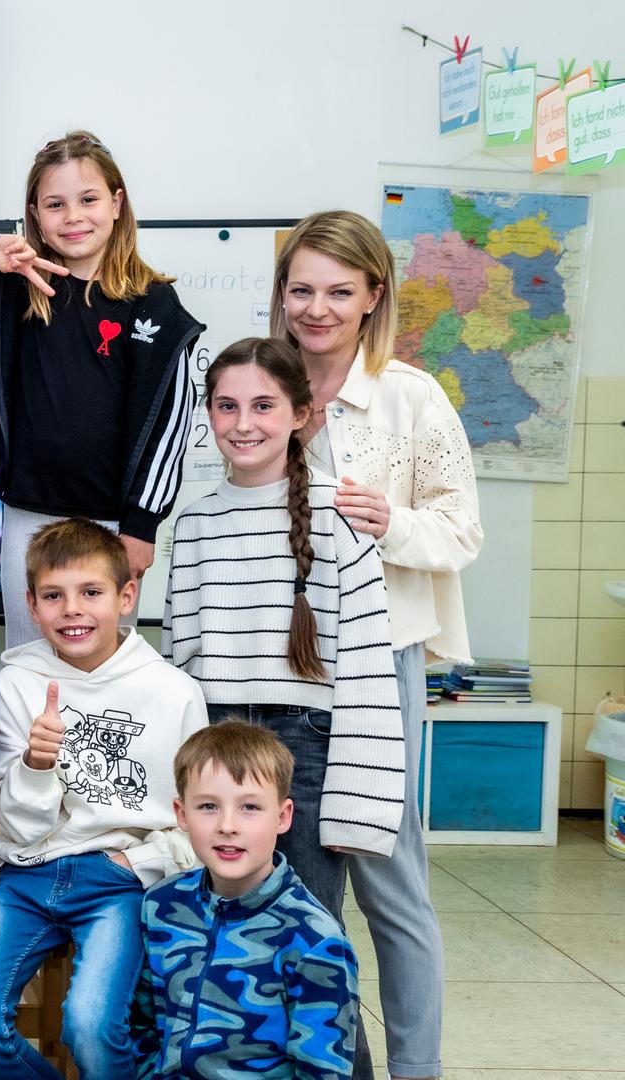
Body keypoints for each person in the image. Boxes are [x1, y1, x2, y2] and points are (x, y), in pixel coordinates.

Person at [274, 209, 480, 1080]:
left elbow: (461, 530)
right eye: (301, 290)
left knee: (392, 885)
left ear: (372, 298)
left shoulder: (409, 396)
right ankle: (328, 1063)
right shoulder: (258, 384)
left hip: (377, 659)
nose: (317, 309)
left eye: (338, 292)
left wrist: (389, 520)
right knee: (297, 881)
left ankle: (417, 1071)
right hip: (274, 665)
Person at [0, 131, 202, 648]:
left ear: (117, 204)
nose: (74, 216)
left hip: (112, 526)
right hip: (29, 515)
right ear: (35, 214)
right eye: (56, 204)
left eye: (89, 199)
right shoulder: (14, 282)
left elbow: (170, 426)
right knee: (29, 661)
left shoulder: (155, 305)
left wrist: (142, 527)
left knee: (97, 675)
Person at [162, 337, 402, 912]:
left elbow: (368, 669)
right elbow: (176, 667)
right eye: (226, 406)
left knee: (309, 932)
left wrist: (357, 811)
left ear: (301, 415)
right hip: (212, 744)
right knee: (213, 927)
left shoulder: (343, 516)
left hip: (308, 752)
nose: (243, 424)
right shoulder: (194, 524)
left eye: (263, 405)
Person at [0, 518, 206, 1079]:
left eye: (91, 593)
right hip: (27, 875)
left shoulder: (175, 692)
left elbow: (200, 818)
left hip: (120, 880)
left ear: (126, 596)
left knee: (91, 1027)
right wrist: (36, 765)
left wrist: (134, 862)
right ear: (32, 604)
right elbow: (19, 826)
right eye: (54, 596)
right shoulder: (18, 682)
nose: (72, 609)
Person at [133, 721, 359, 1079]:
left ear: (283, 817)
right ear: (181, 814)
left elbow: (323, 1070)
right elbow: (143, 1027)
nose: (227, 825)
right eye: (208, 806)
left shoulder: (315, 940)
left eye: (250, 807)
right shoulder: (160, 906)